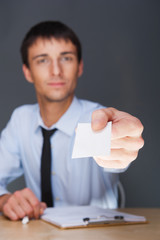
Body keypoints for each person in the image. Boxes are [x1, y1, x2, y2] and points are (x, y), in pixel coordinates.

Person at [0, 21, 144, 221]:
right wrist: (4, 199)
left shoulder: (97, 118)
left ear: (79, 66)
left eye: (66, 58)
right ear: (27, 72)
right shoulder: (21, 120)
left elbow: (116, 156)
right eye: (43, 60)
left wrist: (122, 144)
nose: (56, 71)